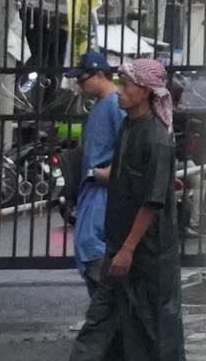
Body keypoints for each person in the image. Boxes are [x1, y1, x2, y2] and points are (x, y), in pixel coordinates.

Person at [70, 58, 183, 361]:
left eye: (127, 85)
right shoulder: (128, 128)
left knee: (153, 329)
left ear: (144, 91)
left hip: (149, 253)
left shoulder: (157, 139)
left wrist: (128, 249)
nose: (120, 90)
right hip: (118, 244)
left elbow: (152, 201)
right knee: (102, 321)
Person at [73, 51, 126, 286]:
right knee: (87, 246)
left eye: (82, 79)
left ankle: (108, 298)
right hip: (92, 186)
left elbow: (127, 149)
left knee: (91, 246)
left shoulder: (114, 104)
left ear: (98, 75)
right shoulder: (101, 104)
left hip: (103, 187)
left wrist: (110, 172)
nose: (79, 84)